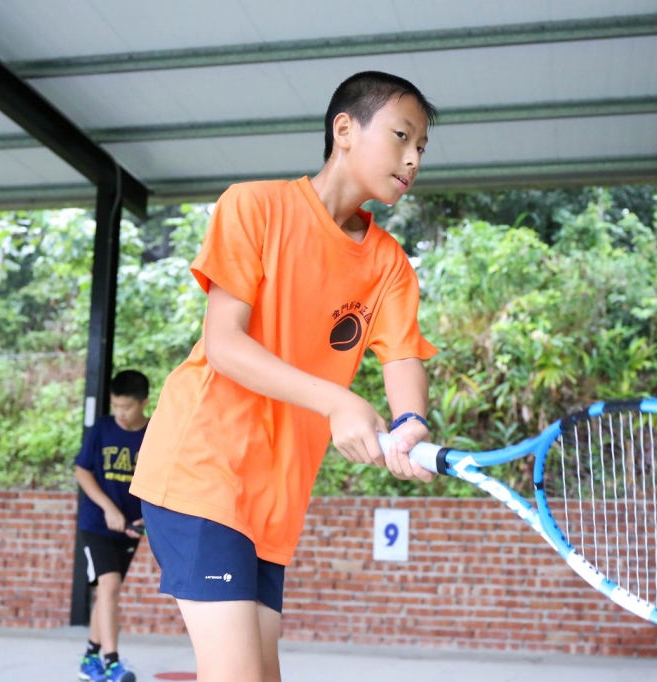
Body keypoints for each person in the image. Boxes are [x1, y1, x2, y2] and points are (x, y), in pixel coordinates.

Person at [129, 71, 439, 682]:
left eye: (422, 148)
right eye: (403, 136)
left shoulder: (390, 265)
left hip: (274, 501)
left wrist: (411, 424)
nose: (413, 159)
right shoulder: (255, 206)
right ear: (344, 130)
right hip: (204, 468)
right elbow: (224, 344)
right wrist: (338, 402)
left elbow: (403, 358)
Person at [75, 370, 150, 682]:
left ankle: (90, 658)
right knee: (109, 585)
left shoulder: (154, 434)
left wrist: (148, 515)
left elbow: (161, 479)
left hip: (130, 527)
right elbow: (82, 471)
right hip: (97, 523)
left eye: (127, 407)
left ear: (144, 403)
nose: (120, 413)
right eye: (116, 405)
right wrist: (108, 508)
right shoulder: (102, 428)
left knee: (109, 590)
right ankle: (112, 664)